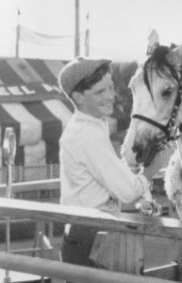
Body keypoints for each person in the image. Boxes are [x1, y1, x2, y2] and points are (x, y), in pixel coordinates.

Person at [58, 58, 151, 273]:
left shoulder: (90, 125)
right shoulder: (86, 134)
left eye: (111, 87)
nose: (111, 96)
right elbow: (127, 192)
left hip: (84, 235)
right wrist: (149, 174)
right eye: (100, 92)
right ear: (78, 97)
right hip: (90, 239)